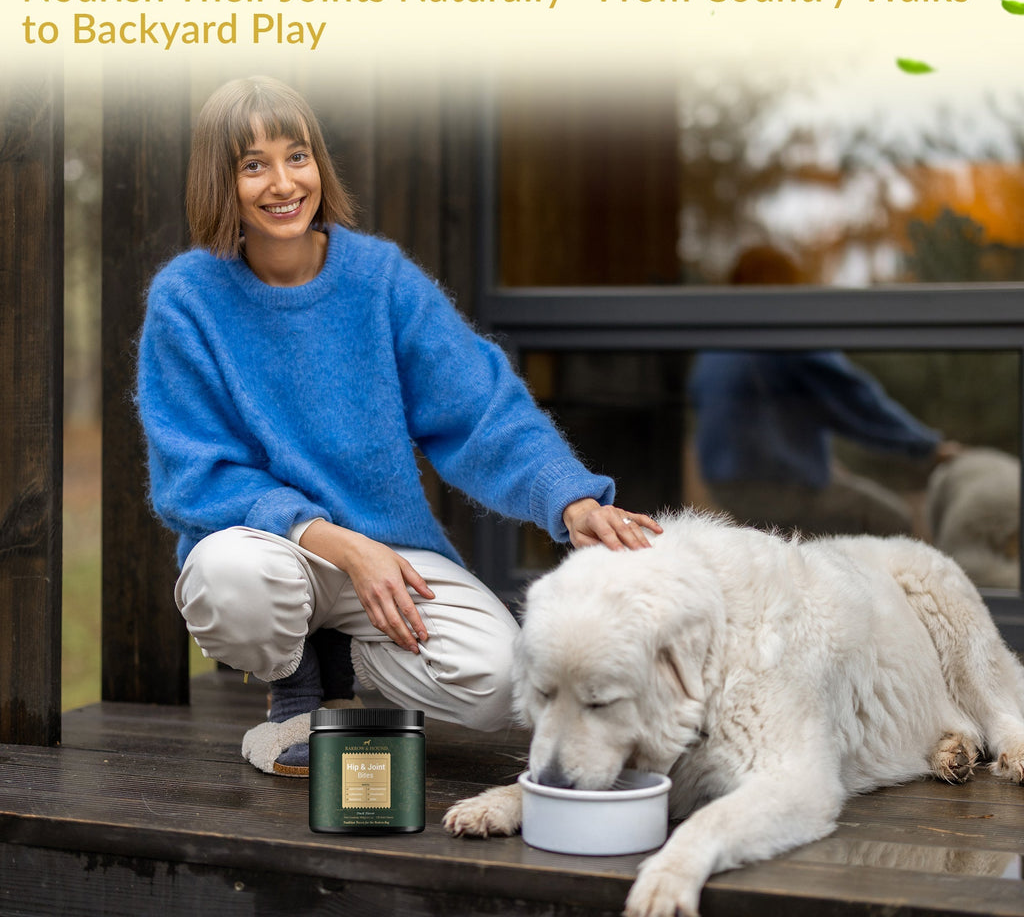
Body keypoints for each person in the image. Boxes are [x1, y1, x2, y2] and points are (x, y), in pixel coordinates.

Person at [136, 76, 662, 776]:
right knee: (233, 578)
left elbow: (478, 408)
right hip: (269, 548)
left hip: (387, 554)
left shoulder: (379, 278)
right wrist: (339, 544)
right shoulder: (186, 299)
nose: (283, 183)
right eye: (253, 165)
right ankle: (295, 685)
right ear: (220, 182)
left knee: (498, 680)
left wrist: (570, 499)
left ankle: (341, 656)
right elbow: (195, 475)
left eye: (298, 156)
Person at [688, 246, 960, 538]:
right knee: (892, 521)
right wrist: (928, 447)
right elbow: (855, 402)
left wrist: (814, 462)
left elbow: (746, 415)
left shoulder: (719, 340)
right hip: (774, 485)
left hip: (725, 486)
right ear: (782, 284)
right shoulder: (782, 330)